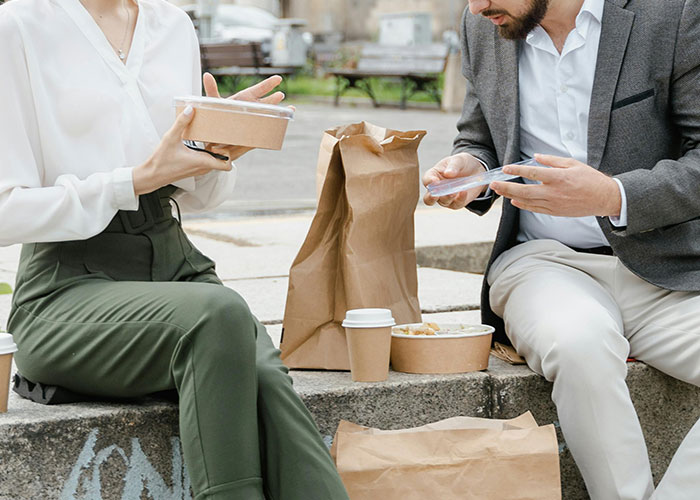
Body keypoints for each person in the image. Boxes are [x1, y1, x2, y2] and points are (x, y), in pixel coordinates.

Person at [0, 0, 350, 499]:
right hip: (65, 285)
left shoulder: (173, 25)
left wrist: (215, 149)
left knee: (266, 382)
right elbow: (6, 209)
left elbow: (194, 191)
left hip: (173, 262)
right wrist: (136, 179)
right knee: (219, 315)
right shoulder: (20, 24)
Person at [423, 0, 700, 499]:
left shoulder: (674, 14)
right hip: (541, 261)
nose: (476, 4)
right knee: (579, 344)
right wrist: (470, 170)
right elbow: (481, 137)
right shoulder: (485, 24)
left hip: (666, 272)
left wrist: (613, 195)